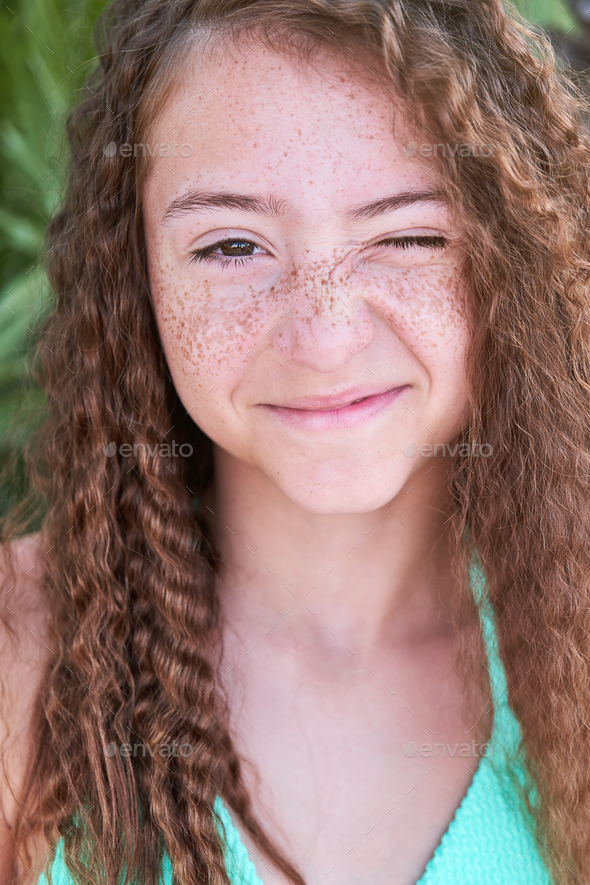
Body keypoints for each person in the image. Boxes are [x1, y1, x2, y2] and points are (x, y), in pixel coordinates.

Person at [1, 1, 590, 883]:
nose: (324, 338)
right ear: (137, 274)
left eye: (408, 235)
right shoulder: (19, 651)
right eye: (233, 245)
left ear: (509, 258)